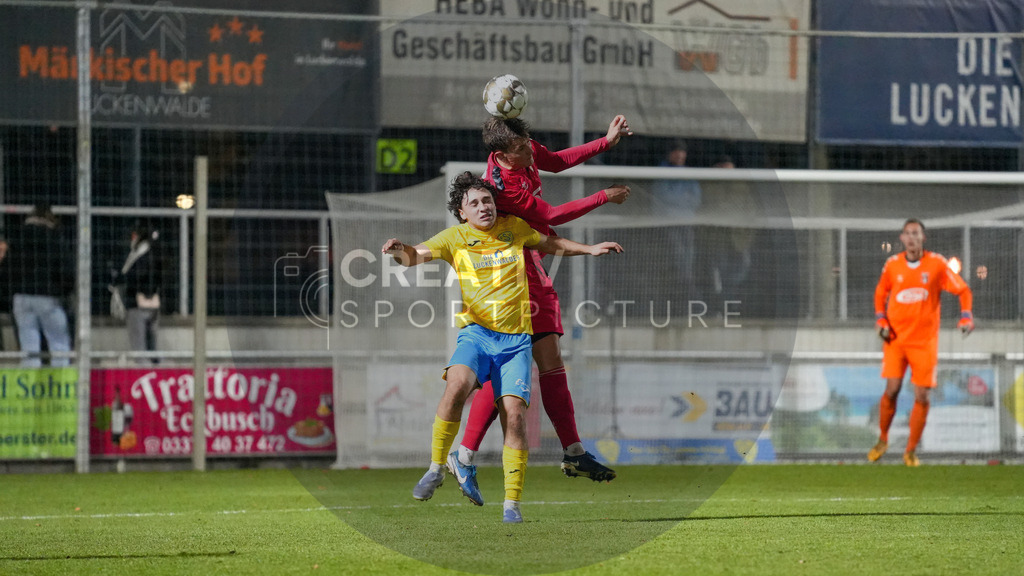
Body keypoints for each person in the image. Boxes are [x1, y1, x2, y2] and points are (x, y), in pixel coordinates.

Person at [384, 172, 622, 523]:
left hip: (515, 343)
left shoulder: (513, 228)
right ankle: (436, 468)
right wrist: (398, 250)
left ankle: (511, 504)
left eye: (488, 201)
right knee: (457, 386)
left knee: (514, 415)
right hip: (477, 335)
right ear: (462, 212)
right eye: (475, 203)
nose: (484, 207)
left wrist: (589, 248)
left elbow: (550, 244)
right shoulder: (455, 237)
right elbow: (415, 256)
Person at [447, 115, 632, 506]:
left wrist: (605, 142)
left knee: (548, 357)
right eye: (521, 148)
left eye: (528, 143)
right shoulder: (503, 187)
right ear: (501, 155)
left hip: (530, 262)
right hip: (510, 268)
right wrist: (602, 197)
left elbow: (559, 160)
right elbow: (550, 217)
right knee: (511, 363)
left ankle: (573, 451)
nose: (530, 151)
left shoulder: (522, 151)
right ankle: (463, 454)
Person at [869, 218, 974, 466]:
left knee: (922, 395)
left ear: (923, 238)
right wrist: (881, 319)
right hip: (896, 340)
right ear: (902, 238)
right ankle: (883, 439)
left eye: (916, 233)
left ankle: (910, 451)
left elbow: (963, 290)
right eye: (908, 234)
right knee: (892, 390)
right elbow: (880, 292)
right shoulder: (893, 265)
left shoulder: (936, 264)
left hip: (924, 342)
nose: (912, 238)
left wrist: (966, 315)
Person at [4, 204, 73, 367]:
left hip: (21, 296)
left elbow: (7, 268)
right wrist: (64, 290)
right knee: (59, 344)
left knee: (29, 348)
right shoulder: (55, 238)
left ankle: (30, 389)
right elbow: (66, 269)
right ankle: (61, 386)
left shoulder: (18, 237)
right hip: (48, 296)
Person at [652, 140, 702, 304]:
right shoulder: (661, 172)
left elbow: (696, 199)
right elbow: (663, 196)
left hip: (687, 223)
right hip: (668, 224)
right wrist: (683, 198)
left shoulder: (689, 173)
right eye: (677, 151)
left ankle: (687, 286)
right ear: (670, 154)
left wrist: (679, 199)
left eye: (683, 151)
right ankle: (686, 289)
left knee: (689, 256)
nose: (680, 155)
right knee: (676, 254)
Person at [110, 223, 163, 364]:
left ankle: (144, 373)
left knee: (139, 345)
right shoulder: (155, 254)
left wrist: (121, 279)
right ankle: (154, 370)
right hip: (153, 304)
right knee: (152, 344)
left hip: (137, 304)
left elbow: (134, 277)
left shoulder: (140, 257)